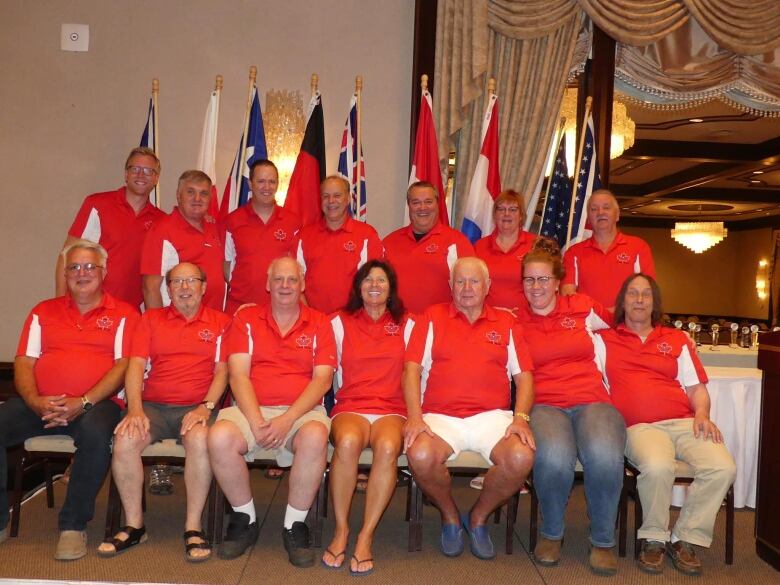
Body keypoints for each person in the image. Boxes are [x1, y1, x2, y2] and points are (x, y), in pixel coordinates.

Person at [1, 240, 138, 560]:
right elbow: (24, 360)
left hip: (96, 405)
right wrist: (35, 400)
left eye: (90, 266)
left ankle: (73, 525)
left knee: (96, 434)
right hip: (41, 403)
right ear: (64, 274)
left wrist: (85, 401)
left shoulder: (123, 314)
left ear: (104, 272)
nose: (82, 273)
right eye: (74, 267)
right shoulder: (42, 311)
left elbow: (122, 367)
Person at [596, 274, 736, 575]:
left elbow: (696, 387)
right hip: (639, 426)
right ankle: (653, 539)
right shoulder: (604, 339)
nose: (639, 300)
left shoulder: (675, 339)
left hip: (685, 422)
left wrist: (702, 414)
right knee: (659, 466)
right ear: (622, 302)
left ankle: (685, 537)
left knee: (723, 467)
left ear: (654, 303)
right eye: (632, 294)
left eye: (646, 294)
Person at [403, 257, 535, 559]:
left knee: (521, 456)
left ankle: (477, 518)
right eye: (460, 281)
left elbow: (524, 377)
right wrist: (414, 416)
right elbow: (411, 370)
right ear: (450, 286)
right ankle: (450, 516)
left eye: (474, 281)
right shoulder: (432, 317)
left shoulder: (506, 322)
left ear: (487, 287)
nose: (466, 288)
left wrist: (521, 419)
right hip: (440, 416)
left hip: (492, 417)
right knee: (419, 454)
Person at [207, 257, 336, 566]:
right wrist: (257, 421)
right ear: (267, 284)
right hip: (253, 408)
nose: (285, 286)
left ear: (303, 284)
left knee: (316, 437)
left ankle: (294, 524)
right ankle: (245, 518)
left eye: (292, 280)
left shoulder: (320, 322)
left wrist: (286, 420)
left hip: (301, 411)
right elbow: (238, 375)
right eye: (278, 279)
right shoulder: (246, 319)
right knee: (220, 437)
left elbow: (323, 380)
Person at [97, 262, 230, 561]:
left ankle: (193, 527)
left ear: (204, 286)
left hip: (197, 407)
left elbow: (223, 371)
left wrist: (206, 407)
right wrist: (134, 409)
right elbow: (135, 367)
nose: (184, 287)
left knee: (199, 440)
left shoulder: (221, 322)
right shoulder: (150, 320)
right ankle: (134, 526)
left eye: (191, 281)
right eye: (176, 282)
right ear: (167, 289)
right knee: (125, 440)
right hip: (153, 407)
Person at [516, 238, 625, 575]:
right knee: (553, 458)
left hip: (592, 398)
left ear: (557, 281)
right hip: (546, 404)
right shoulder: (514, 321)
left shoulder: (581, 307)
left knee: (606, 455)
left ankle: (604, 539)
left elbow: (622, 324)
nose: (537, 287)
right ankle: (551, 533)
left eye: (544, 279)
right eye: (529, 280)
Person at [322, 259, 411, 575]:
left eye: (382, 280)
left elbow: (417, 373)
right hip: (352, 406)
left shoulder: (407, 323)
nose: (375, 285)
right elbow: (323, 370)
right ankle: (341, 529)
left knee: (388, 447)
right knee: (346, 443)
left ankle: (366, 536)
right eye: (368, 280)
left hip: (391, 408)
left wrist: (417, 415)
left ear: (391, 289)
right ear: (359, 287)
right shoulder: (338, 322)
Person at [56, 147, 166, 308]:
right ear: (126, 174)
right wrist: (59, 305)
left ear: (156, 178)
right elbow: (66, 257)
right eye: (135, 169)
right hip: (89, 309)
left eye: (149, 171)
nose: (141, 175)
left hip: (128, 314)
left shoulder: (162, 221)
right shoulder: (98, 204)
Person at [292, 176, 383, 314]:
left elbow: (375, 284)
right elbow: (293, 282)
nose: (331, 201)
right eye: (326, 196)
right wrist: (310, 316)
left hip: (353, 321)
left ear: (347, 199)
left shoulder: (367, 235)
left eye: (337, 195)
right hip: (314, 321)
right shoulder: (303, 236)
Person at [222, 159, 301, 314]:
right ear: (250, 184)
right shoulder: (233, 220)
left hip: (279, 310)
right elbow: (226, 264)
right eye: (261, 181)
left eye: (272, 182)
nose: (267, 187)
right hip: (240, 307)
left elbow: (298, 266)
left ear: (278, 184)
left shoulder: (293, 222)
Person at [383, 181, 474, 314]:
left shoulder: (457, 242)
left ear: (437, 205)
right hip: (397, 327)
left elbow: (472, 289)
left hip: (441, 328)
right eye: (416, 202)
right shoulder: (389, 242)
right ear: (409, 206)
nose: (422, 207)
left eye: (428, 202)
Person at [141, 170, 226, 311]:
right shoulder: (162, 230)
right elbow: (150, 287)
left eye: (203, 193)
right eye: (190, 192)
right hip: (178, 325)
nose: (197, 198)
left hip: (214, 322)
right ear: (178, 196)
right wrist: (158, 327)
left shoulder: (214, 227)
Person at [561, 189, 655, 311]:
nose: (600, 212)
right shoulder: (573, 253)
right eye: (594, 209)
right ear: (588, 218)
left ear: (617, 215)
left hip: (626, 325)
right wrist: (600, 317)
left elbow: (648, 293)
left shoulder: (639, 247)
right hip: (587, 325)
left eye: (606, 207)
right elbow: (567, 295)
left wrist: (612, 314)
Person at [474, 190, 536, 311]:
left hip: (525, 321)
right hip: (487, 321)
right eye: (501, 209)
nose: (506, 214)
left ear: (521, 215)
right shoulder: (479, 247)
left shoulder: (536, 245)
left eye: (513, 209)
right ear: (494, 215)